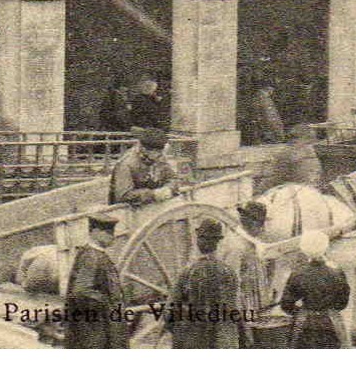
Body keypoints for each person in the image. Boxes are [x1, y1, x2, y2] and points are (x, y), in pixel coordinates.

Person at [166, 219, 241, 349]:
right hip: (222, 340)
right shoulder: (229, 272)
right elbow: (235, 308)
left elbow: (168, 313)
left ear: (198, 241)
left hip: (194, 340)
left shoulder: (187, 273)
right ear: (217, 242)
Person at [63, 215, 128, 349]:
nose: (112, 236)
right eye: (107, 232)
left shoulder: (96, 255)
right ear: (94, 232)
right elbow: (81, 291)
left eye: (112, 232)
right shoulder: (92, 257)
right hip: (95, 327)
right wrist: (107, 304)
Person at [279, 229, 350, 348]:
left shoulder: (298, 273)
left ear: (303, 250)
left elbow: (286, 305)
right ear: (326, 247)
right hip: (331, 323)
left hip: (305, 324)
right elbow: (342, 303)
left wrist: (302, 312)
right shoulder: (337, 271)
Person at [232, 201, 271, 348]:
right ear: (253, 224)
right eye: (261, 225)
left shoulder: (251, 243)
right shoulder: (238, 246)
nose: (262, 229)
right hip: (244, 307)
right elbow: (233, 283)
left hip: (253, 304)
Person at [109, 128, 179, 206]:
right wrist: (153, 194)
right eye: (155, 152)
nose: (159, 155)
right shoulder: (126, 164)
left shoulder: (159, 157)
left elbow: (172, 178)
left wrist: (168, 188)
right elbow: (123, 195)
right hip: (127, 211)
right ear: (143, 149)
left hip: (152, 206)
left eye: (160, 152)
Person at [245, 80, 287, 145]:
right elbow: (264, 110)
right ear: (268, 88)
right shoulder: (261, 96)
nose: (272, 92)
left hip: (268, 119)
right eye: (272, 90)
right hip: (266, 120)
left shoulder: (265, 97)